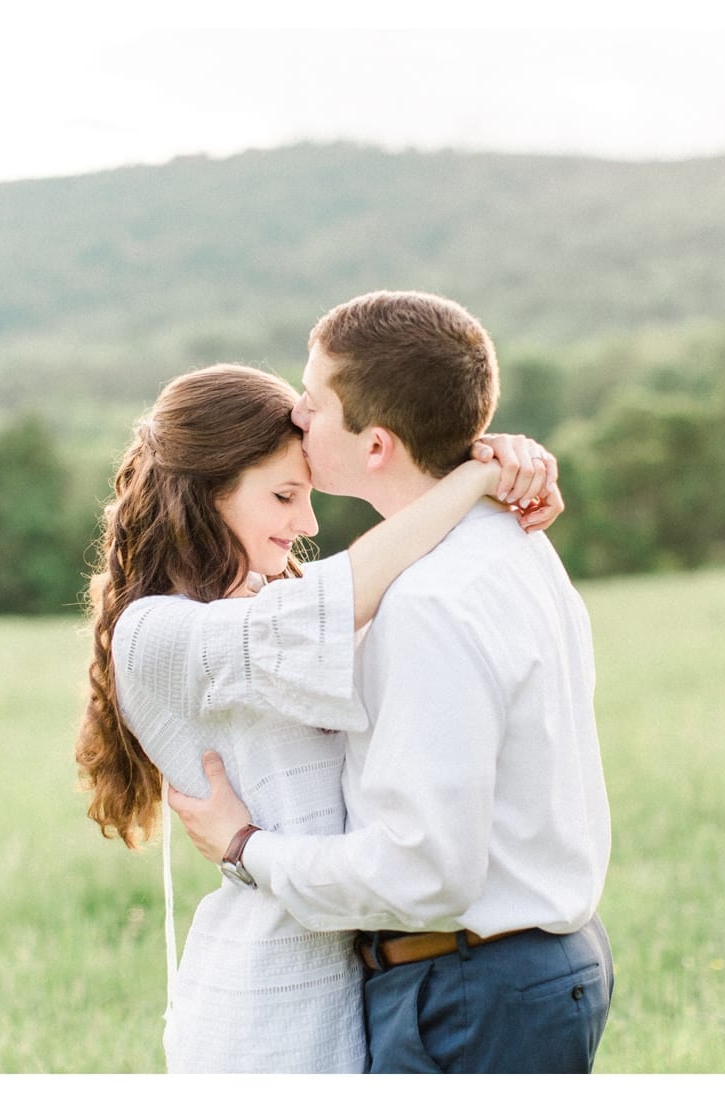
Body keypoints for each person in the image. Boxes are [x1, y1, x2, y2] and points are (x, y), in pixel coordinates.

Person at [168, 291, 614, 1074]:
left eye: (314, 402)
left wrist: (249, 848)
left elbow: (424, 871)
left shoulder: (428, 602)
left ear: (374, 446)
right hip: (527, 968)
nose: (297, 416)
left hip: (467, 988)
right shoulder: (509, 541)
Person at [75, 362, 560, 1073]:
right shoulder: (156, 633)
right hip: (260, 1009)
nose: (306, 524)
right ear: (206, 495)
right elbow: (352, 593)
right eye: (283, 496)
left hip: (353, 992)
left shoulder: (273, 608)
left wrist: (499, 459)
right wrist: (472, 478)